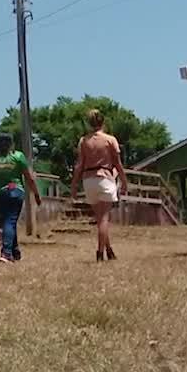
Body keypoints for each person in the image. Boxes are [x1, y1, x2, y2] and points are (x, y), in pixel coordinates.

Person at [71, 108, 127, 262]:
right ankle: (99, 252)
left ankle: (109, 250)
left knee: (100, 218)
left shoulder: (83, 141)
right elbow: (117, 163)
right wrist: (124, 180)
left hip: (88, 180)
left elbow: (79, 165)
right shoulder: (110, 140)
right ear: (103, 122)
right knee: (104, 219)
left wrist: (74, 185)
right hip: (105, 177)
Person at [0, 134, 42, 263]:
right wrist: (36, 194)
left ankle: (14, 251)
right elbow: (29, 177)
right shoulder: (18, 156)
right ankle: (7, 252)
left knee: (8, 222)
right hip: (15, 192)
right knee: (10, 222)